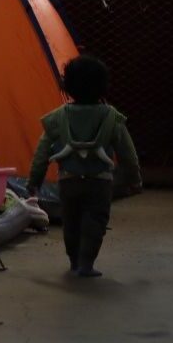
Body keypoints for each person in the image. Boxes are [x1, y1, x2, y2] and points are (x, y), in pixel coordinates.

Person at [27, 56, 142, 278]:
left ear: (67, 87)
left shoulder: (58, 117)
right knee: (95, 221)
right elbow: (128, 154)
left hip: (67, 181)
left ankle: (73, 260)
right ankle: (86, 263)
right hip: (100, 182)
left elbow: (42, 152)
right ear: (104, 87)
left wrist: (34, 181)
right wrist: (133, 179)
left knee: (71, 221)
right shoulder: (112, 118)